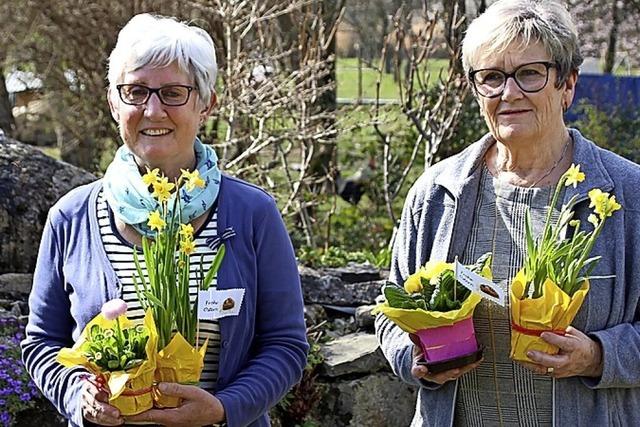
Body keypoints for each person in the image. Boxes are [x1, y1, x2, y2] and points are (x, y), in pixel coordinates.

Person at [21, 13, 308, 427]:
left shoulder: (252, 214)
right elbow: (43, 344)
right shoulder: (72, 217)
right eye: (135, 91)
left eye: (173, 92)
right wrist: (78, 394)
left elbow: (285, 344)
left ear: (206, 102)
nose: (153, 111)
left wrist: (225, 407)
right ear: (113, 101)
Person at [375, 1, 640, 425]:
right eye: (491, 77)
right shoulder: (437, 193)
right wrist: (416, 358)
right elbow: (390, 314)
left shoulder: (628, 194)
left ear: (567, 84)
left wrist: (597, 356)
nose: (509, 93)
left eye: (530, 73)